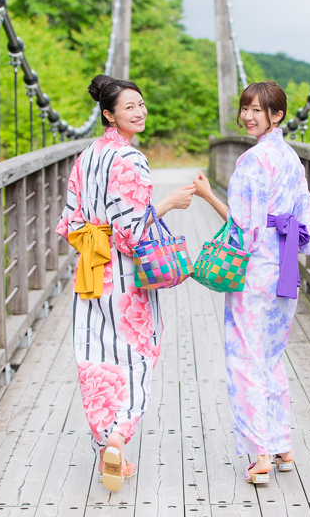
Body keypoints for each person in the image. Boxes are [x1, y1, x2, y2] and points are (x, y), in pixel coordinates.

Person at [192, 81, 310, 484]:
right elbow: (308, 214)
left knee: (245, 360)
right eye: (246, 108)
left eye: (259, 110)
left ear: (277, 115)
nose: (249, 116)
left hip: (255, 272)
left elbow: (243, 228)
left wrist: (207, 195)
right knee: (270, 357)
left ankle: (260, 456)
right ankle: (281, 445)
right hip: (286, 265)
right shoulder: (291, 158)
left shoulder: (252, 162)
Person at [57, 74, 194, 492]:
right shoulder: (131, 160)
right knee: (138, 353)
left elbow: (69, 223)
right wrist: (168, 203)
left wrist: (97, 237)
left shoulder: (86, 157)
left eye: (141, 104)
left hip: (91, 271)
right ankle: (118, 435)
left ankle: (104, 445)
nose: (140, 111)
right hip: (126, 277)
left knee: (97, 355)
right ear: (109, 114)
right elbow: (134, 233)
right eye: (129, 107)